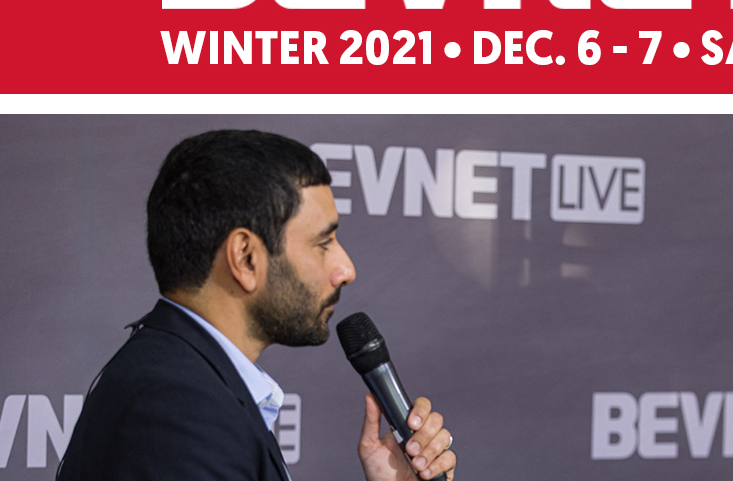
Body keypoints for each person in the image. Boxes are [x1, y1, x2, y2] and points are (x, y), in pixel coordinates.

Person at [59, 130, 456, 481]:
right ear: (246, 258)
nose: (346, 269)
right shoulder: (179, 412)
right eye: (323, 243)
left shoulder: (186, 382)